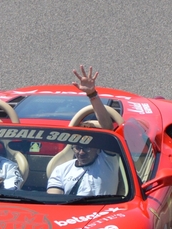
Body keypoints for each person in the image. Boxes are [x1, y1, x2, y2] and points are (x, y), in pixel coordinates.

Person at [46, 65, 119, 195]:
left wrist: (92, 95)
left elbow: (108, 129)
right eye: (77, 147)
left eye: (86, 148)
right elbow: (54, 200)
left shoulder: (107, 161)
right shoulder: (61, 170)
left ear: (97, 147)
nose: (81, 152)